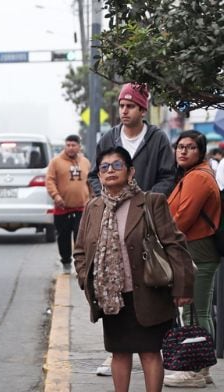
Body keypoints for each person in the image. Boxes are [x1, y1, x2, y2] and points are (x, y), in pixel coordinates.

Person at [74, 146, 194, 392]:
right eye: (104, 167)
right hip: (111, 297)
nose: (110, 171)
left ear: (130, 171)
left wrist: (183, 287)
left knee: (149, 352)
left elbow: (174, 245)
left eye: (117, 165)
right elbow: (80, 251)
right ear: (99, 175)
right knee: (119, 353)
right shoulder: (93, 208)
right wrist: (87, 280)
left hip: (149, 292)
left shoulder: (152, 202)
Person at [88, 82, 176, 376]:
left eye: (130, 106)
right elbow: (93, 175)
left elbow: (168, 176)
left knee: (146, 288)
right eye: (121, 106)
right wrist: (100, 198)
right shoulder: (109, 137)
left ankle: (150, 349)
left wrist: (146, 201)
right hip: (112, 219)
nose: (123, 111)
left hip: (146, 222)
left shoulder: (158, 138)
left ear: (142, 109)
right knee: (118, 288)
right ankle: (117, 350)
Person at [163, 130, 221, 388]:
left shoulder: (198, 177)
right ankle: (201, 368)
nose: (183, 151)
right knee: (193, 310)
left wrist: (160, 236)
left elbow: (182, 218)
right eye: (180, 147)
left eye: (190, 147)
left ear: (201, 152)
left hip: (199, 250)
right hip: (193, 249)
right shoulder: (192, 175)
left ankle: (197, 370)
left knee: (197, 311)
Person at [46, 134, 91, 273]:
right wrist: (56, 196)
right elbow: (50, 181)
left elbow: (90, 181)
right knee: (63, 236)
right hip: (62, 208)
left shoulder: (85, 162)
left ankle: (80, 264)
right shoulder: (56, 162)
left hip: (82, 207)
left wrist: (92, 198)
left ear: (79, 146)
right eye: (68, 145)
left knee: (80, 237)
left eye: (73, 145)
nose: (70, 148)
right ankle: (65, 261)